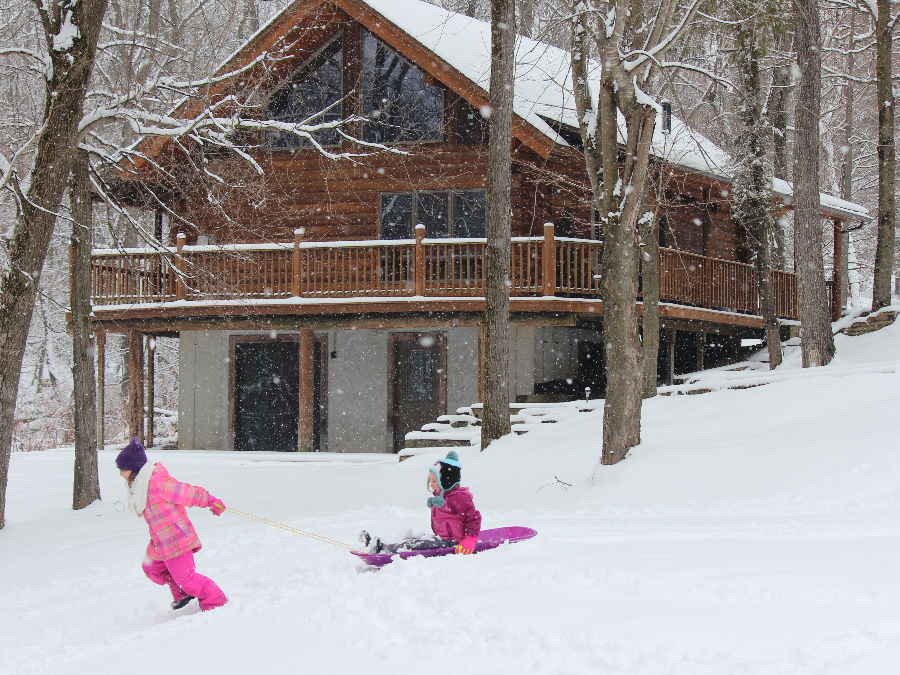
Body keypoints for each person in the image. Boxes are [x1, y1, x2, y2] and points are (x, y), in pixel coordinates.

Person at [116, 437, 228, 611]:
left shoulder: (156, 483)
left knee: (188, 580)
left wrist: (210, 501)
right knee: (151, 568)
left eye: (123, 469)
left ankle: (215, 601)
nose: (121, 473)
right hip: (160, 541)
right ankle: (182, 592)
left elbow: (188, 493)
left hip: (176, 540)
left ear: (134, 467)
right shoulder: (140, 486)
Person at [360, 450, 481, 555]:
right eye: (431, 481)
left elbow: (473, 518)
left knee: (417, 545)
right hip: (442, 539)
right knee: (414, 539)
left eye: (434, 481)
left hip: (452, 542)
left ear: (447, 481)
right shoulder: (441, 498)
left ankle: (384, 549)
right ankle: (378, 544)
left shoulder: (459, 498)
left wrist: (469, 539)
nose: (431, 484)